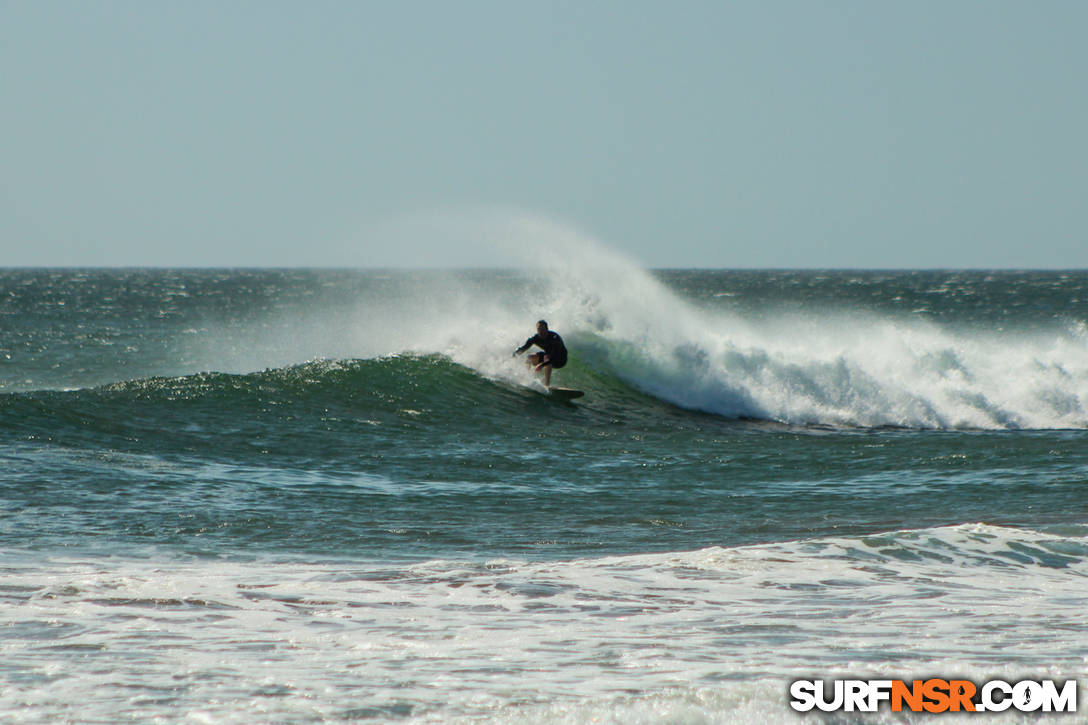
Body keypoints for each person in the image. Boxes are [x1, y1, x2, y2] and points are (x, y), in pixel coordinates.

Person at [513, 320, 568, 387]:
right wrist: (514, 355)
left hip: (560, 359)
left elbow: (554, 357)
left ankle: (547, 385)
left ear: (547, 329)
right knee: (530, 357)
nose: (541, 331)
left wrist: (542, 365)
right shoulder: (534, 338)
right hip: (547, 358)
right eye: (539, 329)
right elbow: (523, 349)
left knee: (547, 357)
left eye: (543, 329)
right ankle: (526, 380)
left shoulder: (554, 338)